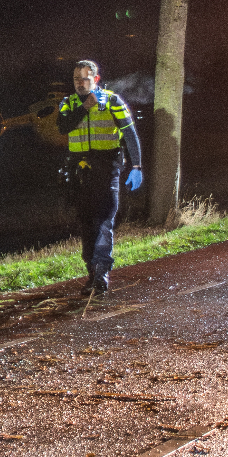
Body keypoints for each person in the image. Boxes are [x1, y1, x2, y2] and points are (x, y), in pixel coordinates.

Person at [55, 59, 143, 297]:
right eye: (76, 79)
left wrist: (136, 165)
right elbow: (63, 127)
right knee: (85, 222)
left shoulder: (113, 101)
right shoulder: (69, 103)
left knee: (103, 220)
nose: (80, 84)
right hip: (79, 173)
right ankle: (91, 272)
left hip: (106, 169)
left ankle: (102, 273)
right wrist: (84, 107)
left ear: (96, 79)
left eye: (84, 78)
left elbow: (129, 133)